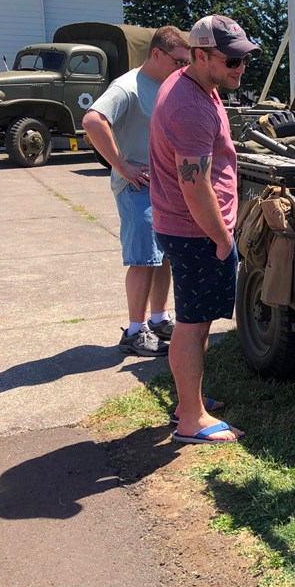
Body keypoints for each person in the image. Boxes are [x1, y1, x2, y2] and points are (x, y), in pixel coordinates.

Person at [150, 14, 259, 445]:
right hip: (196, 231)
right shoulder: (190, 106)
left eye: (243, 60)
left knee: (197, 322)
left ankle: (187, 400)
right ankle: (191, 419)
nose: (239, 68)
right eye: (230, 60)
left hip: (190, 228)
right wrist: (222, 237)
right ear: (199, 56)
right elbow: (194, 187)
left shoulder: (192, 84)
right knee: (192, 325)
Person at [83, 25, 191, 357]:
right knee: (144, 260)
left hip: (160, 185)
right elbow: (92, 121)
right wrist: (122, 167)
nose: (183, 69)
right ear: (157, 54)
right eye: (178, 61)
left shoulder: (164, 85)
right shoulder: (127, 87)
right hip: (137, 187)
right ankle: (134, 330)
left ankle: (159, 318)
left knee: (163, 257)